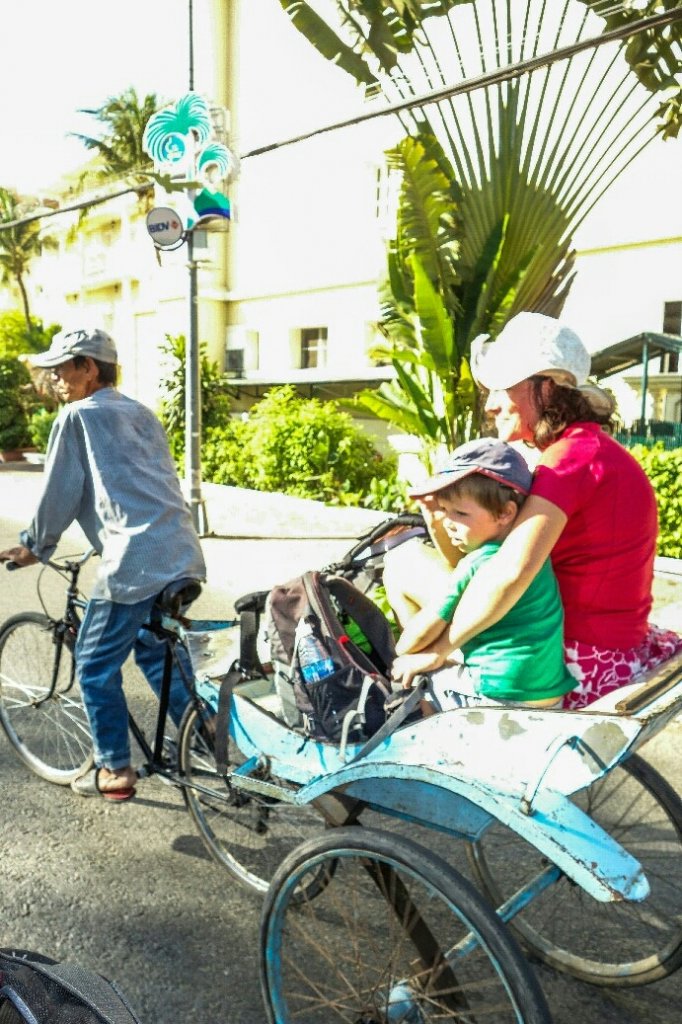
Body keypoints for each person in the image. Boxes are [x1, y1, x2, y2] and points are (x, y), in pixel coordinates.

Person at [385, 312, 682, 709]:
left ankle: (437, 684)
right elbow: (480, 562)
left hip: (572, 657)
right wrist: (438, 516)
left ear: (546, 389)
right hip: (614, 649)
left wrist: (439, 649)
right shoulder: (592, 449)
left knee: (403, 563)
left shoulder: (568, 460)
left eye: (501, 389)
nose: (491, 406)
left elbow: (511, 572)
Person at [0, 328, 206, 800]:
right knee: (153, 650)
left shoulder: (77, 416)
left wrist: (35, 546)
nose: (54, 379)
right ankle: (203, 737)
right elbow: (139, 486)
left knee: (93, 663)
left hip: (136, 561)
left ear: (88, 367)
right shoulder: (142, 413)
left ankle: (114, 768)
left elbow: (60, 492)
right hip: (181, 551)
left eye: (61, 368)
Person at [390, 438, 575, 711]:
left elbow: (409, 643)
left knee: (415, 678)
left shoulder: (477, 564)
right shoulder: (532, 556)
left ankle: (434, 734)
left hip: (496, 696)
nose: (448, 523)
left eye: (460, 513)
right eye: (444, 511)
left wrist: (409, 654)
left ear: (505, 513)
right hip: (549, 699)